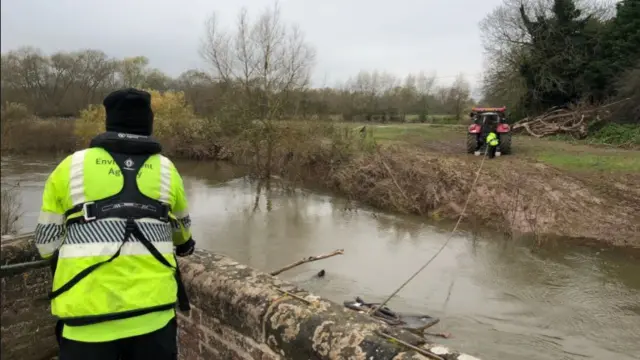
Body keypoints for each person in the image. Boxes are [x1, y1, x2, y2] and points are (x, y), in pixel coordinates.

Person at [33, 88, 196, 360]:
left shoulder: (70, 166)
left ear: (109, 121)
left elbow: (46, 245)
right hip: (155, 317)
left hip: (86, 320)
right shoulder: (167, 169)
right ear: (149, 122)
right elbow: (182, 234)